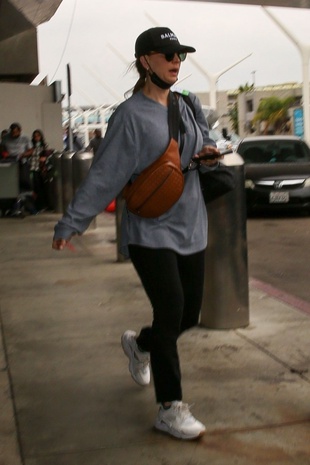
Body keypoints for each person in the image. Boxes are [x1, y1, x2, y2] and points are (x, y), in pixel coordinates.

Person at [52, 27, 221, 440]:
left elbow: (208, 140)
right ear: (145, 61)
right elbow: (105, 176)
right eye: (167, 54)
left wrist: (209, 152)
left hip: (191, 224)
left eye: (179, 54)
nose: (176, 60)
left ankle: (141, 345)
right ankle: (170, 408)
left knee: (188, 315)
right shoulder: (128, 116)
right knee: (170, 310)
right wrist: (71, 223)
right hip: (149, 231)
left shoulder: (187, 104)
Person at [29, 129, 50, 212]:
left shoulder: (44, 146)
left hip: (40, 168)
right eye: (35, 136)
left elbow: (46, 156)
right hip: (32, 167)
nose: (36, 138)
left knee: (40, 187)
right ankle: (36, 205)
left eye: (38, 136)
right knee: (34, 187)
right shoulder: (31, 146)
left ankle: (41, 205)